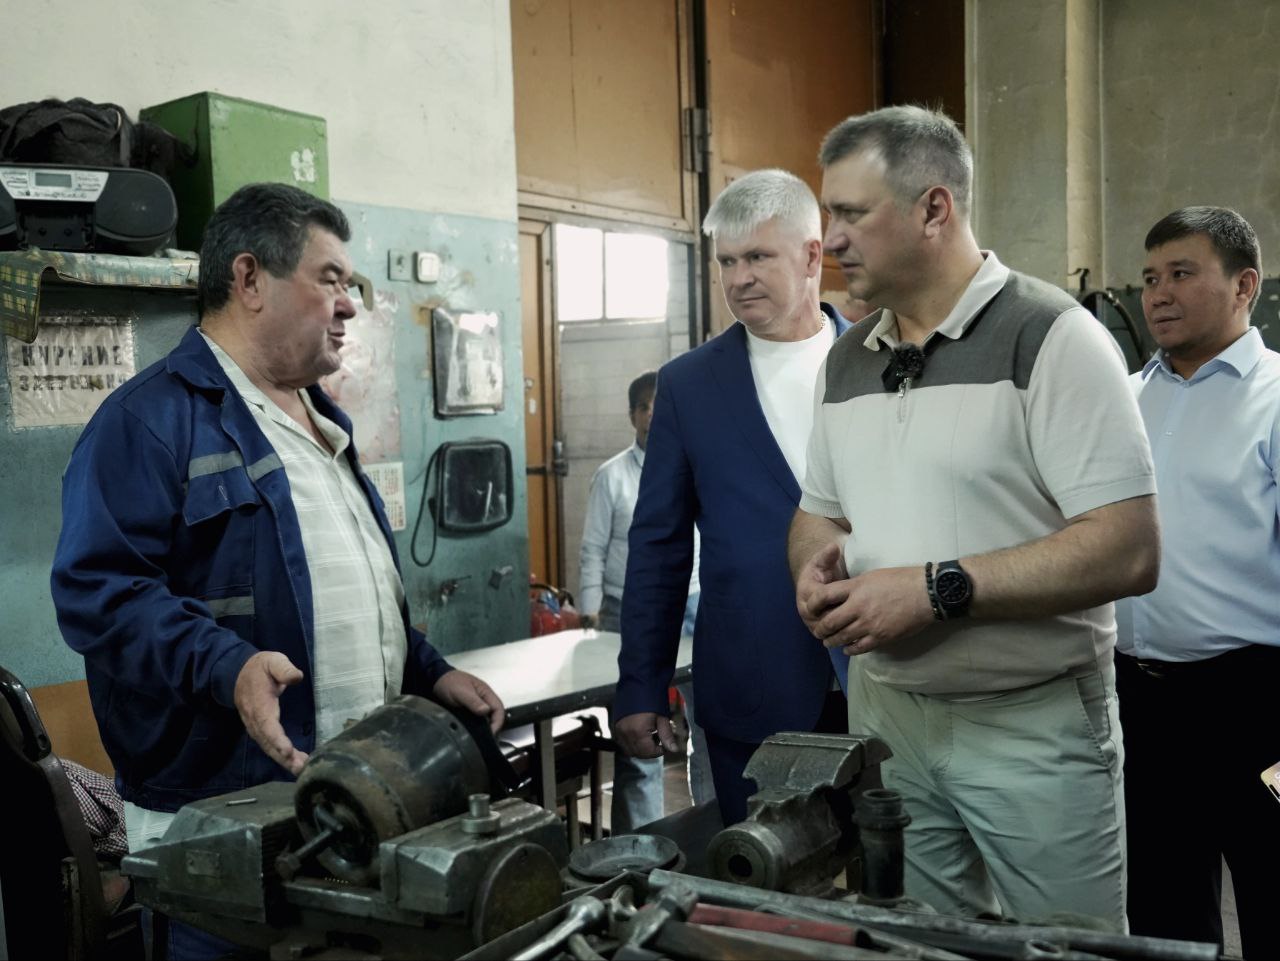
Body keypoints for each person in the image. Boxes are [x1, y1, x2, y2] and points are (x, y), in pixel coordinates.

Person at [51, 183, 504, 958]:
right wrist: (226, 666)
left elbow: (353, 595)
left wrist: (429, 671)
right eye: (330, 279)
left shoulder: (326, 424)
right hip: (221, 826)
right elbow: (99, 594)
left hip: (355, 808)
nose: (350, 303)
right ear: (250, 278)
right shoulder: (147, 422)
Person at [788, 105, 1160, 927]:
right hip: (888, 716)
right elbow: (819, 512)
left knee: (1069, 946)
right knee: (921, 938)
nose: (831, 239)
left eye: (851, 213)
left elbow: (1129, 549)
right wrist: (811, 569)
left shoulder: (1054, 339)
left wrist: (936, 589)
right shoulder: (847, 359)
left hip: (1031, 722)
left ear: (934, 209)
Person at [613, 168, 854, 826]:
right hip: (754, 686)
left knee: (892, 866)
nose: (739, 278)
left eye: (758, 257)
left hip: (885, 674)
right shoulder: (689, 387)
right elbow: (658, 547)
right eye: (726, 261)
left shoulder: (881, 360)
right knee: (762, 866)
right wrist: (642, 684)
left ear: (812, 256)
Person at [1116, 206, 1278, 958]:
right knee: (1162, 910)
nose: (1159, 294)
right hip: (1140, 700)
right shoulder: (1122, 398)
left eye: (1182, 273)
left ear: (1245, 285)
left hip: (1257, 700)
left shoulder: (1273, 397)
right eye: (1150, 277)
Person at [579, 370, 708, 831]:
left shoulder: (698, 465)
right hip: (627, 611)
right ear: (632, 415)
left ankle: (709, 828)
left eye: (659, 405)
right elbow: (593, 547)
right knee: (639, 728)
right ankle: (642, 845)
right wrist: (589, 609)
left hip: (695, 603)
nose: (652, 414)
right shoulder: (611, 476)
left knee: (707, 724)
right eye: (643, 407)